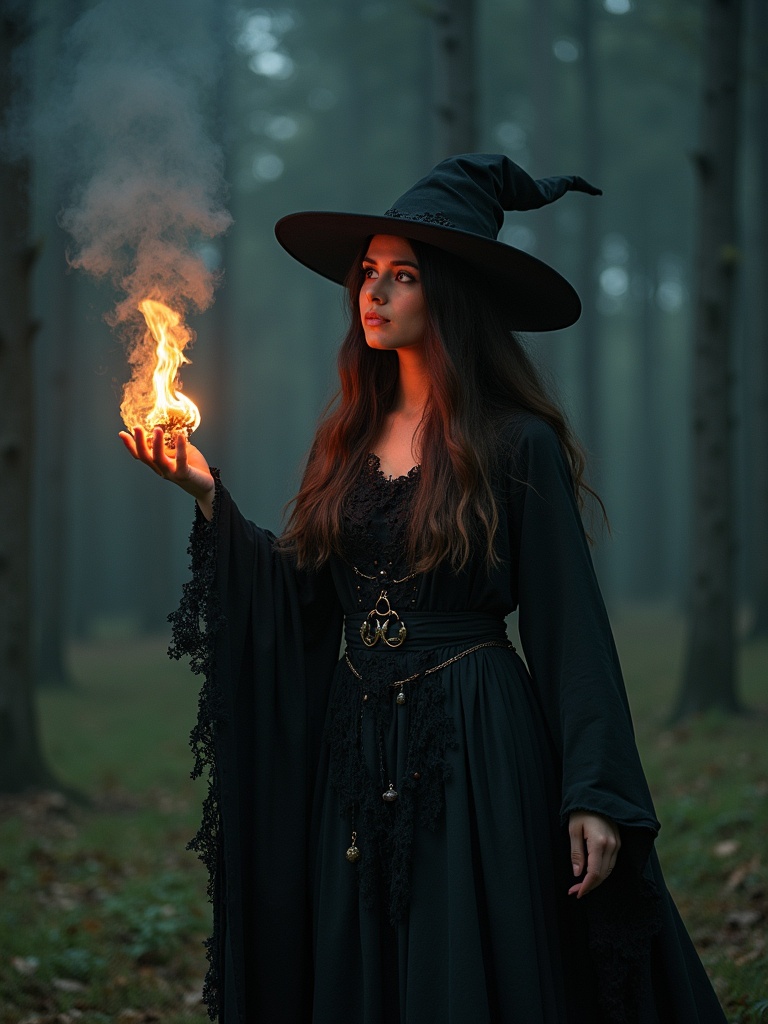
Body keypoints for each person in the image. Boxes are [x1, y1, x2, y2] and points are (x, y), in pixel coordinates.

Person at [120, 154, 727, 1024]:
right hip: (353, 754)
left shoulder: (515, 445)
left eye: (402, 277)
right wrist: (209, 496)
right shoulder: (343, 441)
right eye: (369, 274)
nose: (374, 292)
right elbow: (305, 596)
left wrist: (596, 794)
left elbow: (570, 629)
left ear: (448, 294)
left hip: (475, 742)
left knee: (465, 966)